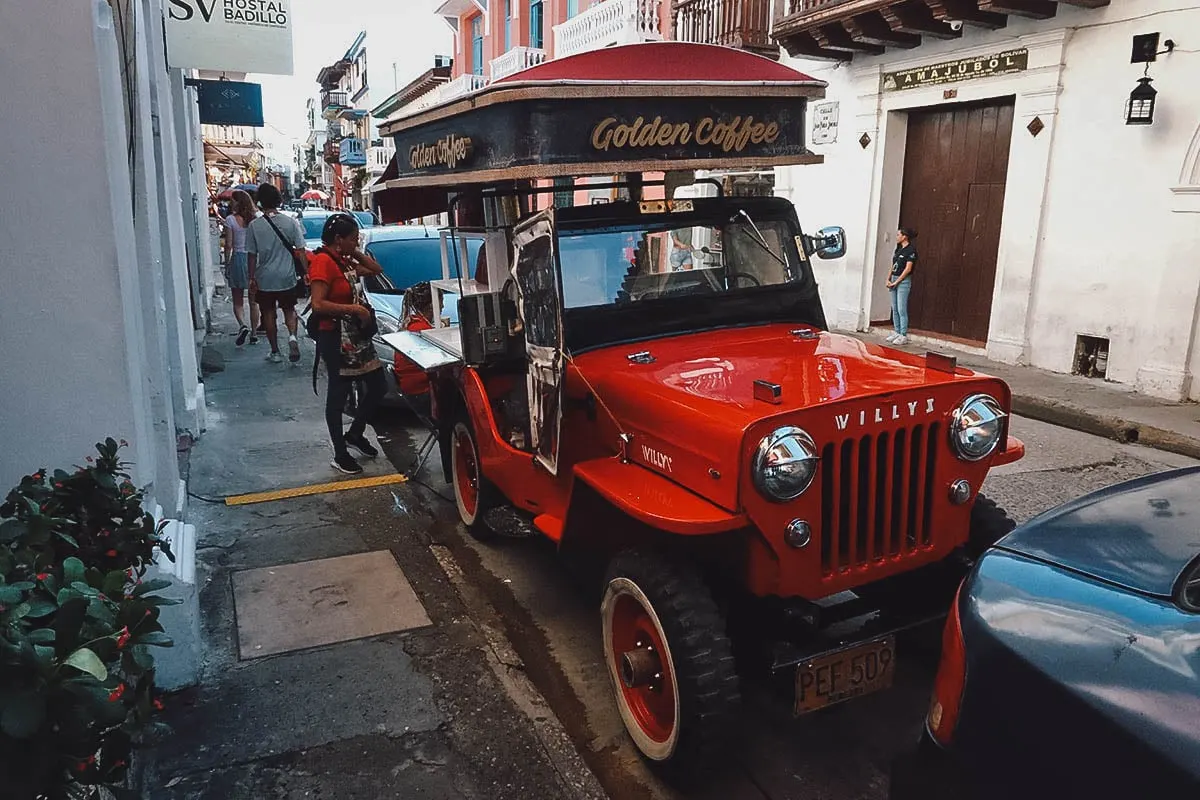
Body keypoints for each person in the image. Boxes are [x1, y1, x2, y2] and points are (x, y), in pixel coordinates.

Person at [308, 214, 386, 475]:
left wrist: (355, 251)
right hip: (334, 336)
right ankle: (340, 453)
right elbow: (318, 304)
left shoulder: (343, 261)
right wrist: (354, 308)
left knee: (377, 385)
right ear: (338, 239)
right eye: (353, 238)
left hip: (355, 336)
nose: (357, 242)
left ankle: (355, 433)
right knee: (338, 395)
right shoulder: (323, 263)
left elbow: (376, 270)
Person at [246, 183, 308, 363]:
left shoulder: (254, 226)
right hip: (286, 276)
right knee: (289, 309)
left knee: (268, 313)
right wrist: (306, 272)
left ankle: (275, 352)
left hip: (265, 277)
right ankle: (293, 337)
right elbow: (301, 250)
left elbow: (251, 255)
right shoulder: (290, 222)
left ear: (260, 202)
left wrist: (251, 278)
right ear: (279, 200)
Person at [222, 190, 259, 345]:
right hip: (252, 259)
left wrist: (227, 263)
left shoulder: (230, 220)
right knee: (253, 300)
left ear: (237, 202)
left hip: (237, 258)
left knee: (237, 300)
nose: (231, 203)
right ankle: (254, 333)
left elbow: (228, 245)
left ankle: (243, 325)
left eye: (232, 200)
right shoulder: (254, 221)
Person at [887, 227, 917, 345]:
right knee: (894, 307)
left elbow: (908, 268)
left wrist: (897, 281)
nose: (897, 237)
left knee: (901, 308)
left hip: (903, 281)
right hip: (894, 279)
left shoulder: (911, 250)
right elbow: (893, 265)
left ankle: (903, 334)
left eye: (898, 235)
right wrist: (888, 279)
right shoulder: (898, 250)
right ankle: (896, 331)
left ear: (904, 236)